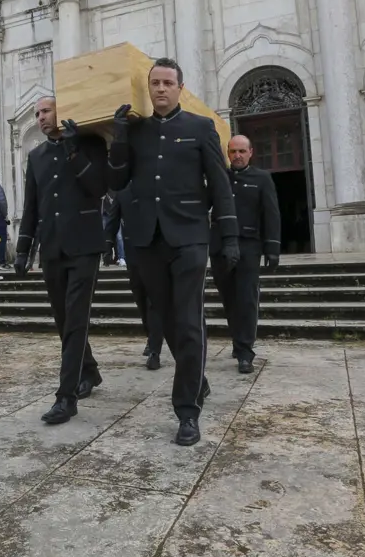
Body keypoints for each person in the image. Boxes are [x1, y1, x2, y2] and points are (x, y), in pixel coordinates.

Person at [107, 58, 239, 446]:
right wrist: (119, 138)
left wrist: (229, 236)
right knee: (164, 320)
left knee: (189, 319)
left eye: (168, 82)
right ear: (148, 89)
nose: (161, 88)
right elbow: (117, 180)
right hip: (147, 240)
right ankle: (197, 377)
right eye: (155, 83)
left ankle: (187, 410)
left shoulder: (200, 128)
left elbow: (220, 184)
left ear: (180, 88)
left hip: (190, 238)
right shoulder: (137, 132)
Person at [16, 96, 107, 423]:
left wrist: (73, 150)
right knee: (63, 319)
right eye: (37, 113)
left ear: (62, 110)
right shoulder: (36, 156)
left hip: (84, 245)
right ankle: (89, 370)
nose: (40, 117)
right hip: (52, 248)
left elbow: (99, 188)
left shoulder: (90, 143)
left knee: (76, 319)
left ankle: (66, 397)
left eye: (46, 111)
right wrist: (23, 248)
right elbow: (31, 206)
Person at [210, 135, 281, 374]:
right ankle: (238, 339)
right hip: (220, 247)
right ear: (227, 153)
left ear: (251, 152)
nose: (237, 156)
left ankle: (245, 352)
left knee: (247, 299)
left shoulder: (262, 178)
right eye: (233, 151)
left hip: (249, 246)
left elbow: (271, 214)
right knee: (229, 298)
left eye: (242, 151)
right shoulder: (219, 178)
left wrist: (272, 248)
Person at [103, 183, 165, 368]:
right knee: (140, 297)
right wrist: (107, 245)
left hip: (156, 251)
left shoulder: (156, 186)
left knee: (154, 301)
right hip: (134, 254)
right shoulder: (122, 193)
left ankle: (154, 350)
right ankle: (151, 335)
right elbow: (112, 220)